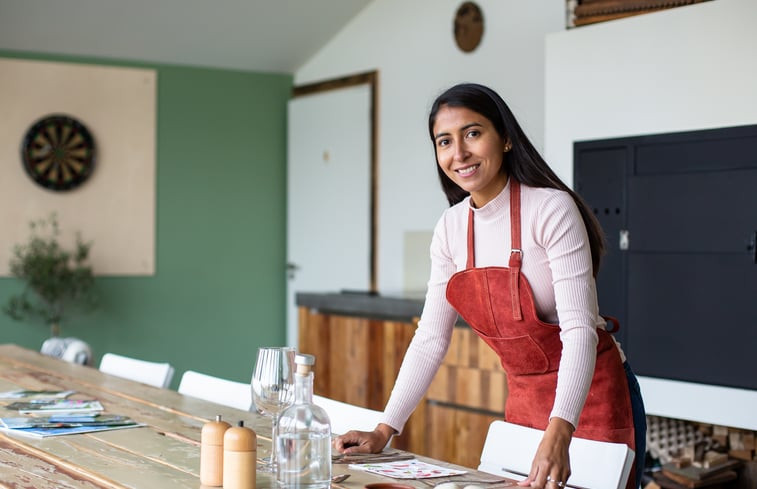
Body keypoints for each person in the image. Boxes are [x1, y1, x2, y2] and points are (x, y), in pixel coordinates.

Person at [334, 83, 646, 489]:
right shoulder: (450, 229)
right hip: (524, 401)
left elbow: (579, 332)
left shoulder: (550, 210)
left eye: (473, 133)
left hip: (592, 397)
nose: (458, 153)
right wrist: (384, 429)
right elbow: (430, 338)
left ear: (507, 138)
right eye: (444, 141)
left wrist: (561, 429)